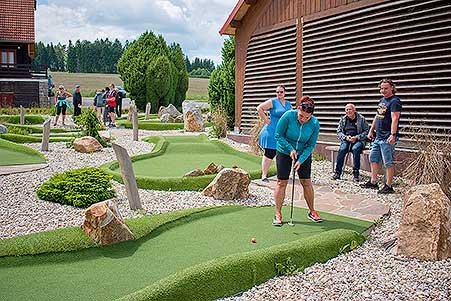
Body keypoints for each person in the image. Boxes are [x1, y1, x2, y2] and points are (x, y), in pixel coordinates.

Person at [273, 96, 321, 225]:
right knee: (281, 182)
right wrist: (290, 149)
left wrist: (301, 159)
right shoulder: (288, 116)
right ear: (298, 109)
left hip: (303, 153)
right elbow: (278, 135)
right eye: (301, 116)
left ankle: (312, 211)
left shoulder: (315, 124)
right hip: (284, 151)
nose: (304, 120)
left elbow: (311, 145)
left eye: (307, 117)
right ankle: (278, 213)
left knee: (306, 181)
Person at [361, 79, 402, 194]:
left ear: (392, 88)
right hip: (378, 137)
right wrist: (371, 130)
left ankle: (388, 186)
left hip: (387, 137)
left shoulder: (395, 101)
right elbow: (377, 115)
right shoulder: (382, 100)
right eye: (381, 88)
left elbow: (395, 118)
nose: (383, 90)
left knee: (388, 162)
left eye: (386, 88)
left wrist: (393, 135)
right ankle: (373, 182)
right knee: (373, 159)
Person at [257, 85, 292, 182]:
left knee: (282, 154)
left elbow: (291, 116)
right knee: (269, 153)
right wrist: (266, 120)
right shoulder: (272, 102)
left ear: (285, 92)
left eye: (281, 92)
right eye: (277, 92)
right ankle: (264, 175)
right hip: (271, 131)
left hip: (283, 132)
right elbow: (259, 108)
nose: (279, 94)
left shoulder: (289, 104)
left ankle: (281, 175)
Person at [333, 103, 369, 181]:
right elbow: (339, 131)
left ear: (354, 110)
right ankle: (337, 173)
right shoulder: (343, 119)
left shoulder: (361, 119)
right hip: (347, 139)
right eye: (347, 110)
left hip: (358, 140)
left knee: (356, 149)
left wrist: (357, 137)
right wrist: (346, 137)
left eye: (350, 109)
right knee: (342, 149)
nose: (348, 111)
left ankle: (356, 174)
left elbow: (367, 131)